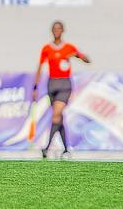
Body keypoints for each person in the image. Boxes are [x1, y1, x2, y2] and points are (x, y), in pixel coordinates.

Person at [33, 21, 90, 159]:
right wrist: (35, 86)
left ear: (63, 31)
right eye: (54, 29)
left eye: (59, 29)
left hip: (64, 84)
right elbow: (40, 67)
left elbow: (87, 60)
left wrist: (77, 55)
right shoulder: (47, 48)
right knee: (59, 118)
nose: (57, 31)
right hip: (52, 84)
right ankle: (66, 149)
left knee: (56, 115)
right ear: (52, 31)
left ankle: (47, 148)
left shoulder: (69, 47)